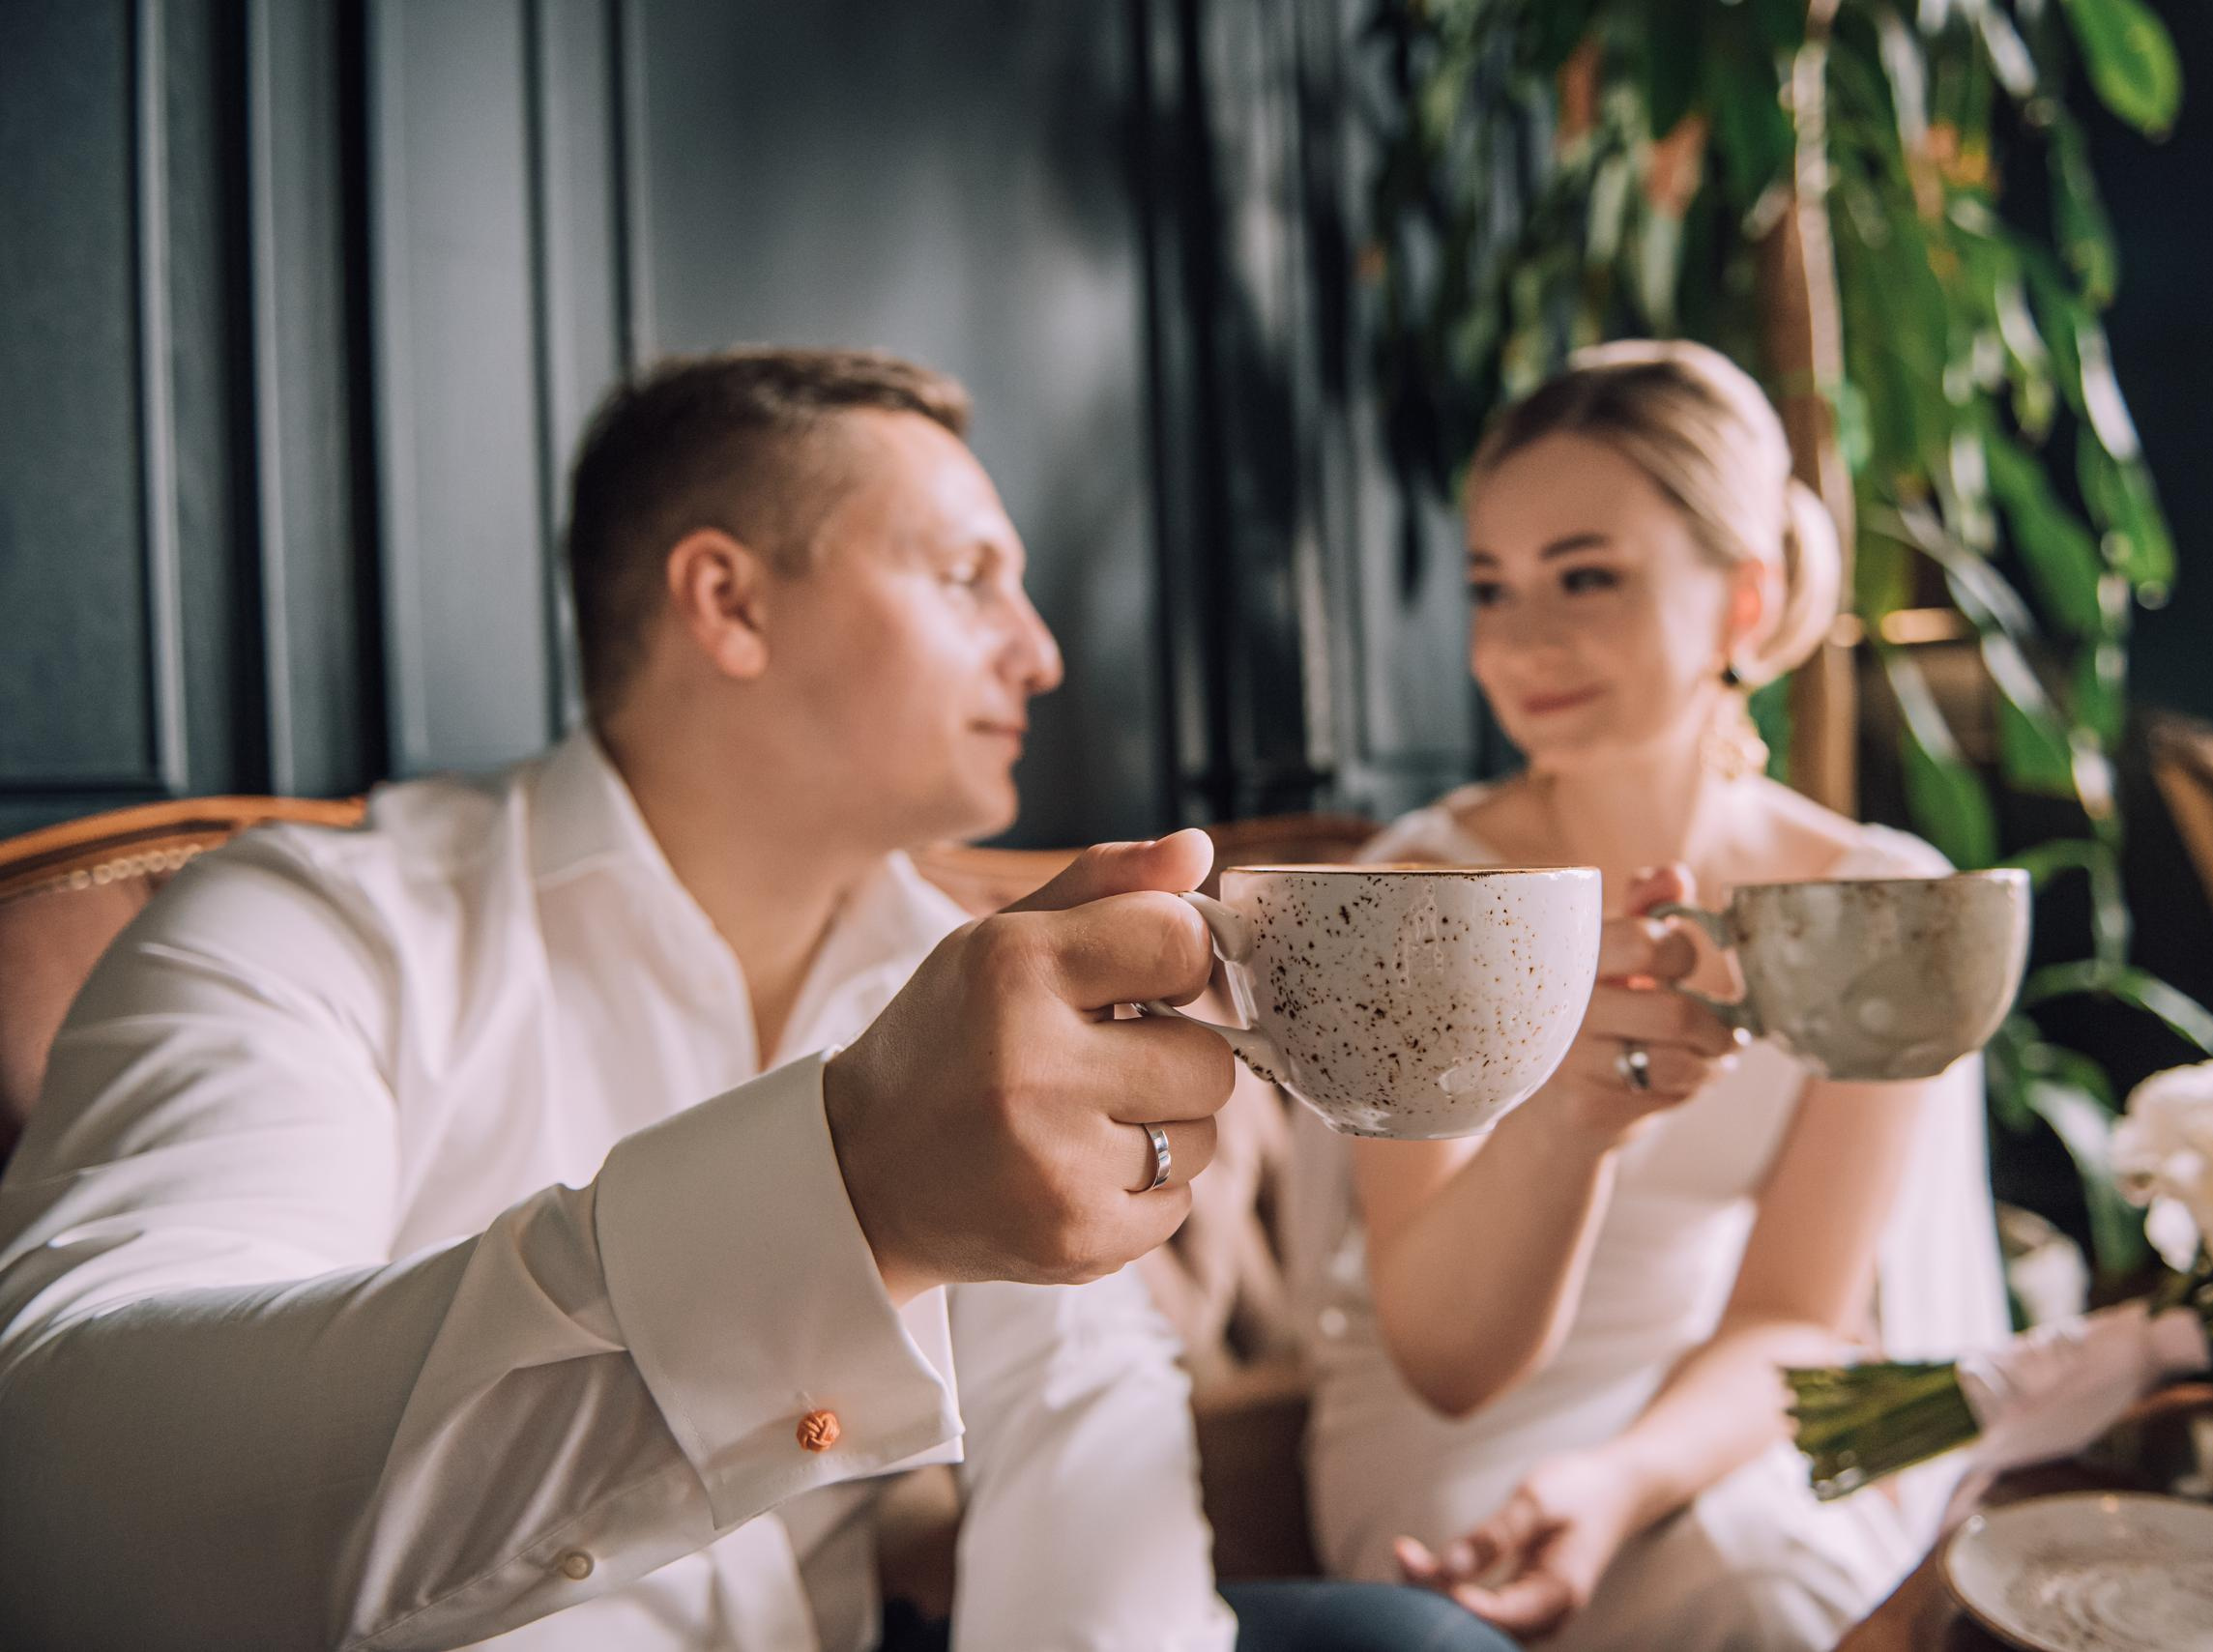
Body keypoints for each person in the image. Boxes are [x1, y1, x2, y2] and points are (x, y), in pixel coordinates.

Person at [0, 349, 1512, 1652]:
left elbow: (1079, 1426)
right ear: (726, 601)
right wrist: (845, 1192)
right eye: (969, 575)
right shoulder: (306, 928)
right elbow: (69, 1504)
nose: (1042, 653)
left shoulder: (969, 971)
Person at [1289, 341, 2008, 1650]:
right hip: (1454, 1420)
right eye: (1490, 588)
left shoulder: (1875, 903)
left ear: (1746, 601)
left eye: (1587, 576)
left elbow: (1797, 1310)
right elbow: (1447, 1360)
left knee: (1767, 1587)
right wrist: (1572, 1120)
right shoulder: (1419, 898)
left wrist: (1626, 1475)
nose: (1520, 640)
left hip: (1724, 1392)